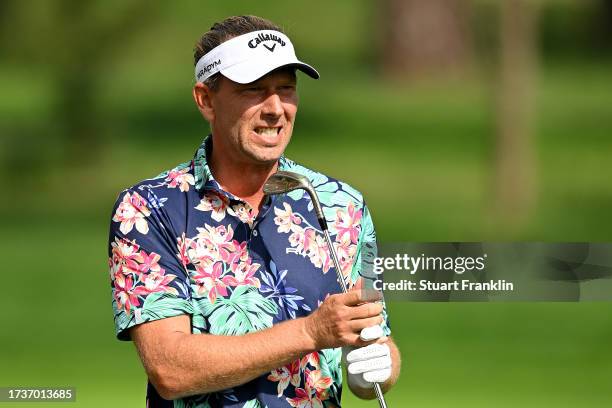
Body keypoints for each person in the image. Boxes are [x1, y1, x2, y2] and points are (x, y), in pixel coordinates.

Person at [108, 15, 401, 407]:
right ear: (206, 100)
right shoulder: (149, 210)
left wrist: (375, 369)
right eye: (254, 91)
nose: (276, 109)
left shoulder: (342, 204)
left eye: (286, 89)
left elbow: (370, 337)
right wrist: (312, 332)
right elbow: (169, 369)